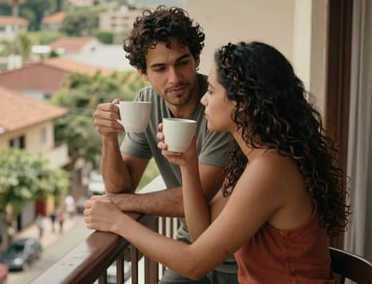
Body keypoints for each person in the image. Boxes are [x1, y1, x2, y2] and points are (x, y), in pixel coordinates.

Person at [85, 41, 351, 283]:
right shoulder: (256, 160)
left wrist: (117, 222)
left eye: (211, 91)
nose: (203, 99)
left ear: (242, 102)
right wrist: (188, 166)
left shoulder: (271, 169)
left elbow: (194, 263)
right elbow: (202, 233)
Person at [91, 5, 237, 283]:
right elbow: (120, 185)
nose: (175, 78)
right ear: (142, 72)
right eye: (160, 68)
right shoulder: (147, 103)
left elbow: (199, 196)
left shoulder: (217, 106)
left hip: (238, 256)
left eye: (182, 62)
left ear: (195, 59)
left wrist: (118, 206)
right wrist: (109, 138)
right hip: (190, 245)